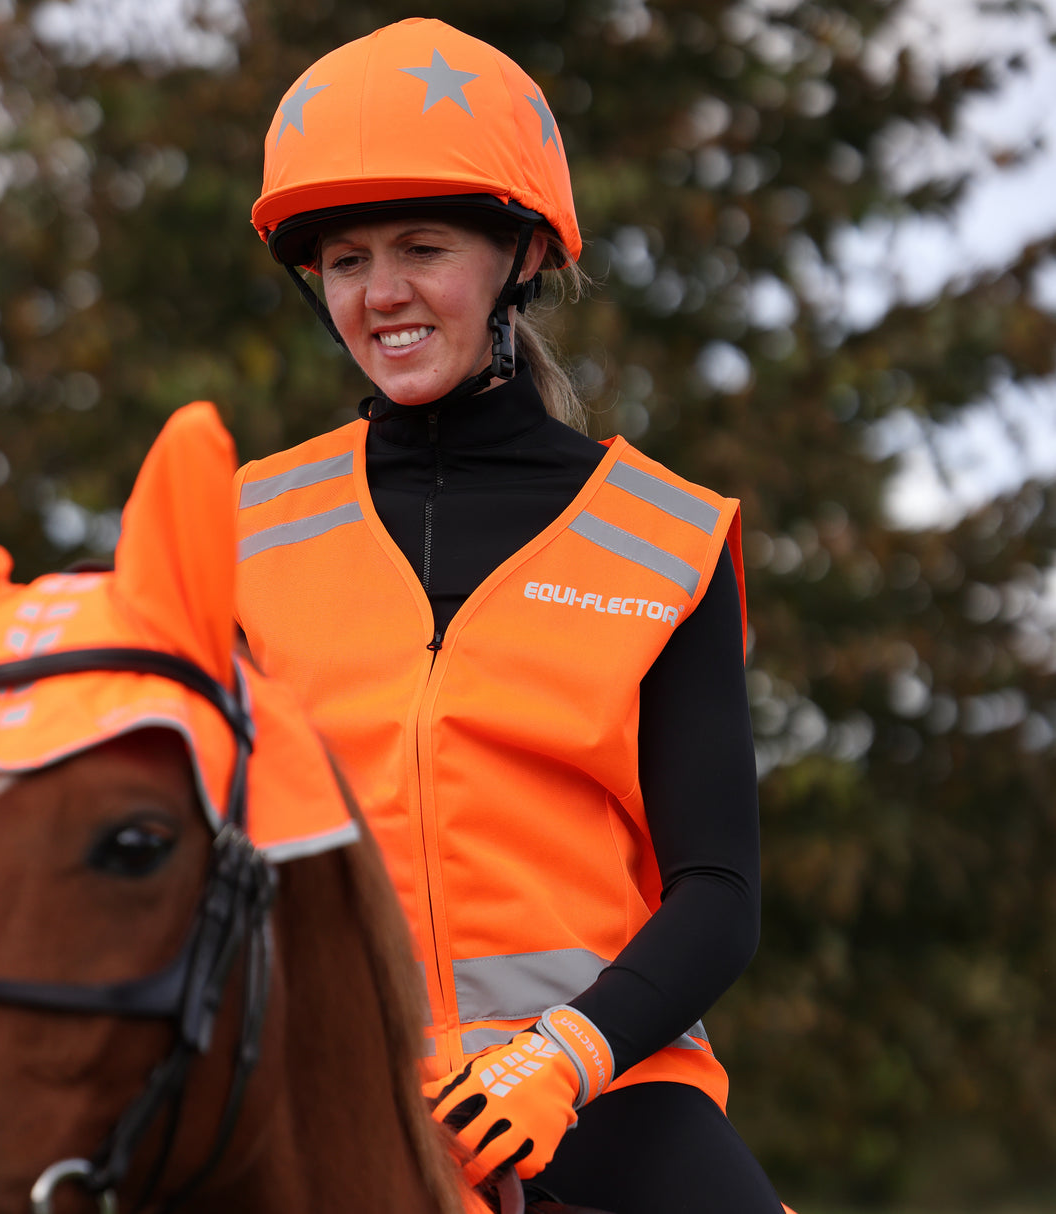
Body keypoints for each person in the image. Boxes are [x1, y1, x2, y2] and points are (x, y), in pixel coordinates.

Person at [233, 17, 788, 1214]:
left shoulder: (666, 537)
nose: (381, 293)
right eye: (342, 260)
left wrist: (561, 1058)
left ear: (519, 252)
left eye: (422, 247)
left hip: (605, 1095)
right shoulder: (245, 529)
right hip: (322, 1087)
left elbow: (719, 894)